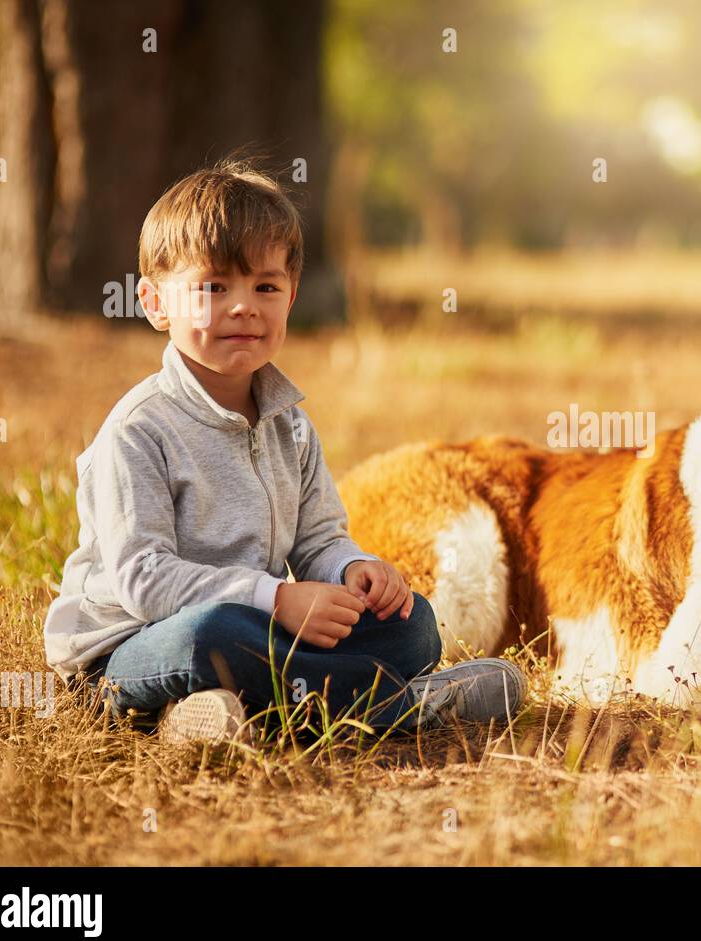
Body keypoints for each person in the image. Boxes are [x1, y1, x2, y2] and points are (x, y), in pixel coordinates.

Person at [42, 157, 526, 744]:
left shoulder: (289, 425)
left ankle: (211, 716)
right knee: (213, 635)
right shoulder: (138, 431)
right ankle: (403, 707)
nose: (244, 305)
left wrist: (354, 570)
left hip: (263, 629)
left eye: (264, 286)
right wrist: (276, 599)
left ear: (291, 297)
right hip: (133, 651)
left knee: (413, 625)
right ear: (154, 302)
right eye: (214, 287)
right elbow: (144, 581)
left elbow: (318, 538)